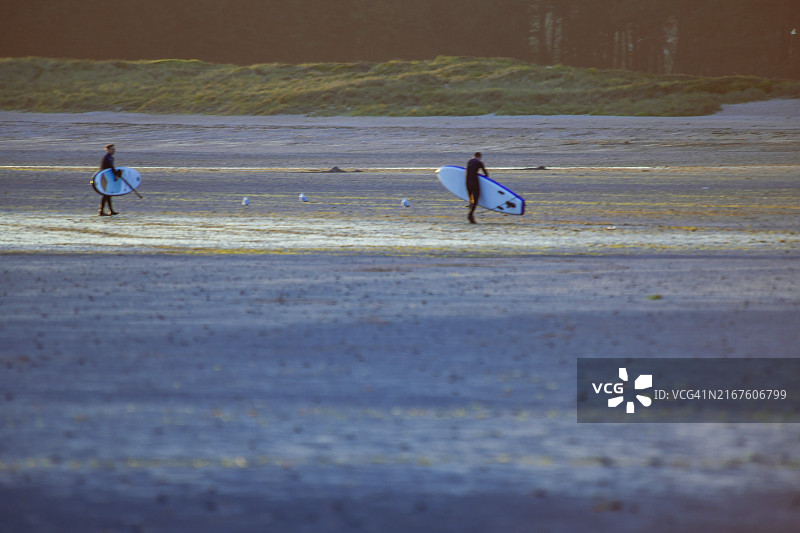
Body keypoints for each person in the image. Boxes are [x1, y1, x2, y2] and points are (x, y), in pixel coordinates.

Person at [98, 144, 120, 216]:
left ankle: (110, 211)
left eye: (114, 149)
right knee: (106, 194)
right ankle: (101, 211)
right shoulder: (107, 157)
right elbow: (110, 168)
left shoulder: (110, 157)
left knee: (108, 194)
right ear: (108, 150)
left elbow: (111, 168)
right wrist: (116, 174)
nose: (114, 151)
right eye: (112, 149)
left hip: (108, 177)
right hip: (105, 177)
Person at [465, 152, 487, 223]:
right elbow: (486, 174)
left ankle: (470, 215)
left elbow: (468, 171)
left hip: (467, 182)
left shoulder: (469, 161)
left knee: (471, 200)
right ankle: (470, 214)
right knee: (475, 200)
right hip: (475, 183)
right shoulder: (479, 162)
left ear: (474, 156)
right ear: (479, 156)